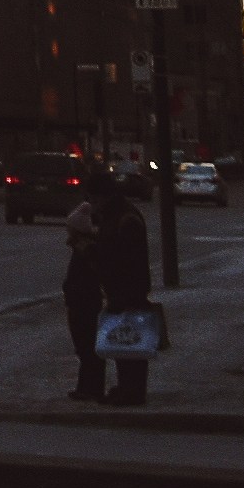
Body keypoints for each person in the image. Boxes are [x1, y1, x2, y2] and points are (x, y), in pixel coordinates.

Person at [62, 170, 140, 402]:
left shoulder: (122, 218)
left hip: (121, 288)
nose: (93, 205)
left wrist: (88, 250)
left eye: (95, 199)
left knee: (116, 344)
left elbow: (113, 257)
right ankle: (120, 387)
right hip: (117, 288)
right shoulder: (117, 215)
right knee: (114, 343)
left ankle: (126, 389)